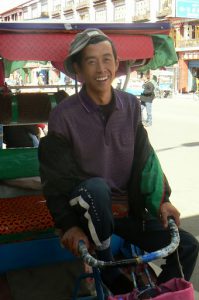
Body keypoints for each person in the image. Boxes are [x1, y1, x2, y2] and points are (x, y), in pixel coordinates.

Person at [38, 29, 199, 296]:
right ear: (78, 68)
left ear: (116, 64)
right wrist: (69, 225)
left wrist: (163, 200)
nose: (101, 68)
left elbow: (146, 159)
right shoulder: (63, 116)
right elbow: (55, 180)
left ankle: (158, 294)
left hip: (129, 211)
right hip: (89, 213)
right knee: (97, 188)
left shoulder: (131, 105)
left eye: (107, 59)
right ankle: (108, 269)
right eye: (91, 61)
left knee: (187, 246)